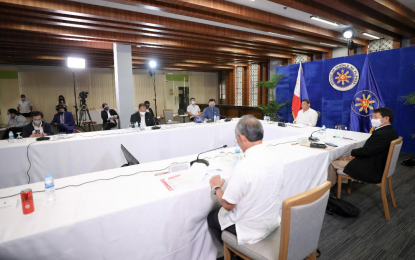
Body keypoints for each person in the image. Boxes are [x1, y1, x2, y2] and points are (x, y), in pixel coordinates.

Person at [207, 115, 284, 245]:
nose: (236, 141)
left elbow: (228, 205)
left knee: (211, 218)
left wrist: (216, 187)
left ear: (242, 138)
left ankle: (235, 252)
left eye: (236, 138)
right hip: (271, 221)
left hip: (251, 229)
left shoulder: (244, 166)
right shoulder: (276, 158)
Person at [328, 108, 399, 186]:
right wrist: (356, 154)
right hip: (378, 162)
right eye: (372, 117)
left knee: (330, 163)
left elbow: (366, 151)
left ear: (386, 118)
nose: (372, 119)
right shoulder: (390, 131)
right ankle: (342, 183)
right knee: (340, 157)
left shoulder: (381, 134)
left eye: (375, 117)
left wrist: (354, 153)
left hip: (372, 168)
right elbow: (371, 150)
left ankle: (327, 190)